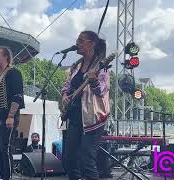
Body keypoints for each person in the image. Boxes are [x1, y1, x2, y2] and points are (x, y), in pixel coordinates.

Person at [61, 30, 110, 180]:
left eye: (81, 40)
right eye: (77, 40)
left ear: (92, 44)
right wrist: (64, 96)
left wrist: (94, 80)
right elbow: (67, 85)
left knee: (86, 159)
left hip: (93, 119)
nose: (77, 43)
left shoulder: (102, 66)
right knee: (69, 158)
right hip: (75, 117)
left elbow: (101, 91)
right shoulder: (76, 66)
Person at [0, 46, 25, 180]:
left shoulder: (13, 73)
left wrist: (10, 116)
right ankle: (2, 176)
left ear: (6, 57)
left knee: (5, 148)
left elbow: (18, 96)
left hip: (8, 117)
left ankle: (7, 178)